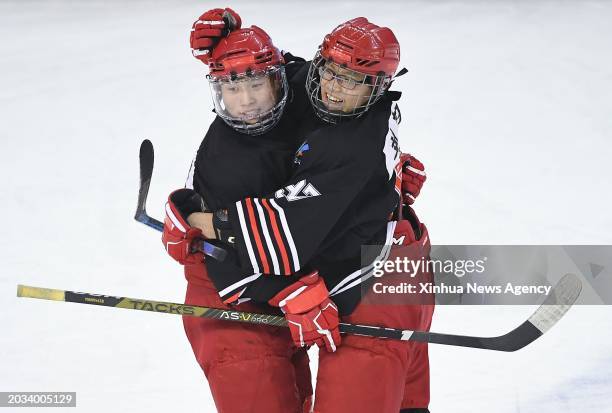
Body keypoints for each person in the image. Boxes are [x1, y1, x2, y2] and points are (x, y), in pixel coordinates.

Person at [176, 14, 434, 413]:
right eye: (230, 84)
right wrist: (234, 45)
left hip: (368, 264)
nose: (335, 88)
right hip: (234, 274)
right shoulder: (286, 90)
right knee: (250, 380)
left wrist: (201, 223)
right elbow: (236, 245)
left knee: (368, 384)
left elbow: (285, 235)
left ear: (381, 88)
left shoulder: (354, 146)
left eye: (353, 81)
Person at [162, 10, 322, 412]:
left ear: (277, 79)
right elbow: (226, 260)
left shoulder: (294, 99)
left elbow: (327, 78)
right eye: (232, 90)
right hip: (229, 303)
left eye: (255, 84)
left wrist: (385, 165)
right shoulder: (224, 161)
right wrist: (287, 293)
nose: (246, 101)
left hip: (275, 292)